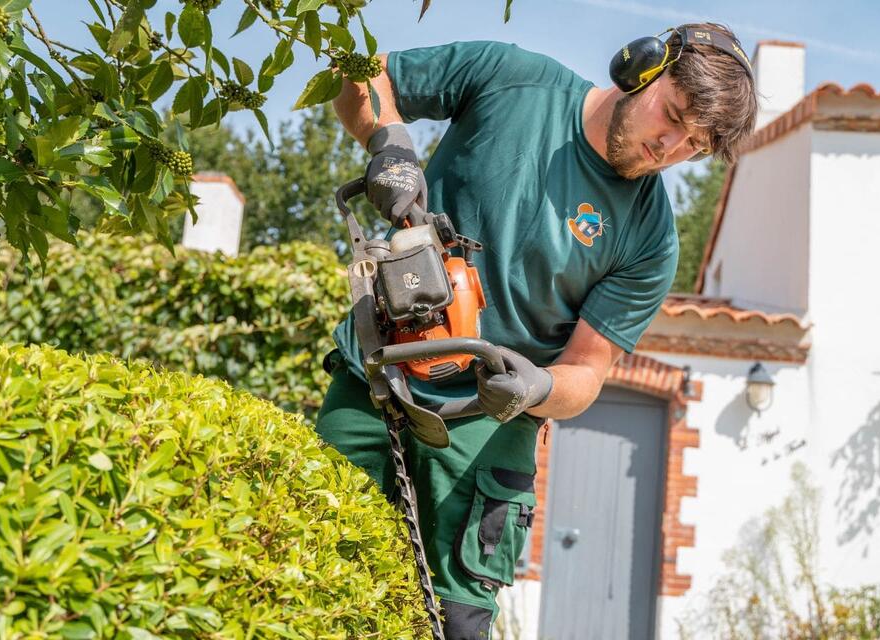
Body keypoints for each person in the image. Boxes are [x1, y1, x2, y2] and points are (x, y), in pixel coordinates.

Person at [316, 23, 758, 639]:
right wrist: (387, 142)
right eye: (674, 116)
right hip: (379, 373)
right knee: (312, 566)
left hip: (489, 433)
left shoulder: (651, 239)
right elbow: (360, 73)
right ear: (643, 68)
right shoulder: (510, 78)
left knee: (457, 624)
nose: (671, 147)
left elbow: (587, 373)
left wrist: (537, 386)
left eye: (696, 146)